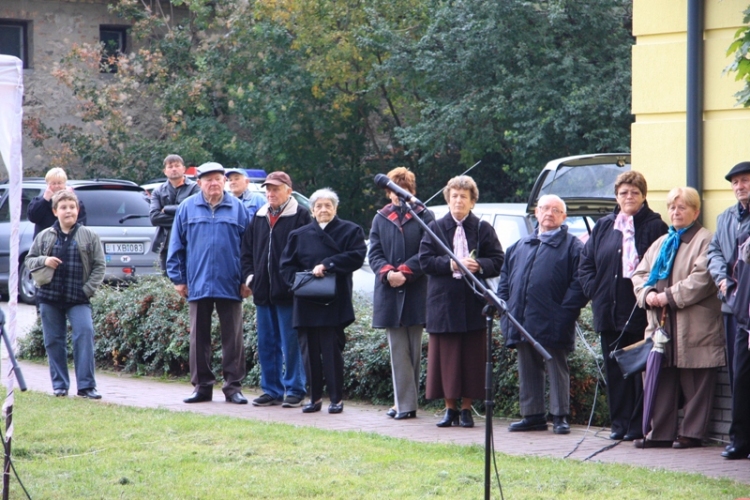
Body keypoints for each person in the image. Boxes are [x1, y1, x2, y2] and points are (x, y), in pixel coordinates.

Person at [631, 187, 725, 449]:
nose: (676, 212)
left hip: (694, 325)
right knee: (660, 378)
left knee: (695, 381)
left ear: (696, 212)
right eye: (672, 207)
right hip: (660, 325)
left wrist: (668, 297)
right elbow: (640, 274)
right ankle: (658, 433)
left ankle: (692, 434)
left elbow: (702, 280)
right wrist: (648, 293)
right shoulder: (662, 242)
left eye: (682, 207)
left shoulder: (706, 240)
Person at [578, 171, 668, 441]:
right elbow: (586, 264)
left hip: (639, 311)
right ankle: (618, 424)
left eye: (634, 192)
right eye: (623, 192)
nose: (629, 197)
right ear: (616, 196)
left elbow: (661, 266)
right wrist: (595, 290)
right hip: (608, 310)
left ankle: (637, 426)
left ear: (643, 196)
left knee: (638, 368)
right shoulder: (605, 225)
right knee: (615, 369)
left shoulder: (655, 226)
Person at [418, 175, 504, 428]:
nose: (458, 201)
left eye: (463, 197)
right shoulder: (434, 227)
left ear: (472, 202)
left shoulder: (482, 228)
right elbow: (425, 261)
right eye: (454, 196)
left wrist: (479, 265)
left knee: (471, 358)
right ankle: (449, 409)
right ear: (447, 199)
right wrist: (452, 264)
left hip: (472, 303)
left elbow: (498, 260)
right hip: (442, 304)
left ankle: (466, 409)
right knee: (446, 359)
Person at [498, 194, 587, 435]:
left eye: (555, 210)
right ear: (536, 213)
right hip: (521, 317)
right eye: (544, 208)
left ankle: (560, 416)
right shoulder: (519, 246)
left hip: (555, 319)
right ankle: (532, 415)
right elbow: (505, 280)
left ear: (564, 217)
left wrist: (565, 312)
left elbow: (580, 283)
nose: (549, 213)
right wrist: (505, 308)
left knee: (556, 364)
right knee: (527, 366)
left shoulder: (573, 246)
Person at [167, 162, 250, 405]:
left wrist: (247, 280)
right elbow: (176, 246)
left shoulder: (238, 209)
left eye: (217, 179)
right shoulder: (187, 208)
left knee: (233, 338)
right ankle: (202, 387)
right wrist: (178, 279)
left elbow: (248, 249)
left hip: (231, 282)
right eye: (207, 179)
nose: (213, 183)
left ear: (224, 181)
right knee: (198, 337)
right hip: (197, 281)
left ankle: (233, 387)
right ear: (199, 183)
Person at [280, 188, 366, 414]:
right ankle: (314, 398)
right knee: (308, 353)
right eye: (319, 206)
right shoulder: (299, 235)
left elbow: (356, 256)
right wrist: (299, 282)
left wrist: (328, 264)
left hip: (334, 300)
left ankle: (337, 398)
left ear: (336, 208)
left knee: (331, 351)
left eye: (328, 205)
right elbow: (286, 266)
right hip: (306, 300)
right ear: (312, 210)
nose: (323, 210)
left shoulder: (350, 230)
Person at [241, 171, 311, 408]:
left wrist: (295, 282)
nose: (270, 193)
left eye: (276, 189)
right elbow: (247, 251)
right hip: (262, 292)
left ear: (288, 191)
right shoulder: (259, 216)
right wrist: (251, 278)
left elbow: (309, 253)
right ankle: (271, 390)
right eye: (268, 189)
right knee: (266, 343)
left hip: (289, 294)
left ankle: (295, 389)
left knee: (291, 343)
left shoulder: (301, 216)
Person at [368, 167, 434, 420]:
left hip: (416, 290)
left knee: (414, 350)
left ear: (410, 191)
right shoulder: (380, 218)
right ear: (388, 192)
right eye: (394, 190)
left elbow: (428, 249)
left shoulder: (424, 215)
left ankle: (404, 402)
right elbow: (374, 252)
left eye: (403, 190)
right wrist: (388, 273)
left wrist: (406, 271)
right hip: (389, 292)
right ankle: (405, 405)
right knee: (398, 349)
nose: (398, 195)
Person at [24, 190, 104, 399]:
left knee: (84, 334)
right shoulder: (44, 236)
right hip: (49, 298)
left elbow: (99, 266)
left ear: (77, 210)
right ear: (55, 211)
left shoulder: (90, 236)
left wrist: (87, 290)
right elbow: (29, 261)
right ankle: (60, 386)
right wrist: (44, 261)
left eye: (72, 207)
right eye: (63, 207)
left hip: (78, 298)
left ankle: (86, 387)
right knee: (53, 341)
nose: (68, 211)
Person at [149, 154, 200, 274]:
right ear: (165, 171)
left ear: (183, 168)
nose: (174, 169)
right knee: (168, 282)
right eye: (170, 166)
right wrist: (182, 216)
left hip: (190, 242)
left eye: (177, 165)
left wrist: (166, 209)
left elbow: (194, 212)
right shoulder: (158, 191)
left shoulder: (195, 188)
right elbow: (154, 218)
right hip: (166, 244)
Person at [725, 232, 750, 459]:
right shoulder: (743, 238)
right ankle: (739, 441)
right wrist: (737, 302)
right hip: (745, 322)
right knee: (741, 380)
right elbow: (731, 274)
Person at [28, 167, 87, 237]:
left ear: (65, 184)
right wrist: (45, 200)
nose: (57, 186)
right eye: (53, 183)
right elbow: (33, 218)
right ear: (47, 184)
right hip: (45, 242)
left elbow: (80, 223)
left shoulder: (75, 203)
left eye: (59, 183)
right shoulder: (38, 201)